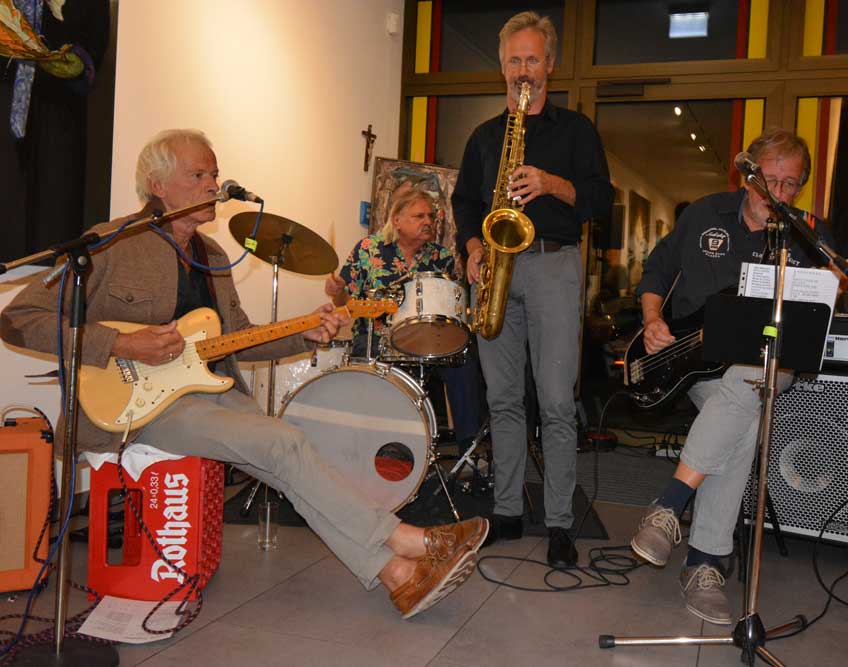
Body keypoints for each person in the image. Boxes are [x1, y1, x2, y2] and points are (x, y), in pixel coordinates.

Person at [0, 129, 487, 620]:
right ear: (158, 185)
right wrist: (121, 343)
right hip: (135, 407)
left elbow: (242, 338)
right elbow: (19, 319)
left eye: (214, 174)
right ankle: (409, 540)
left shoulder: (212, 256)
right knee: (282, 443)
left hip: (211, 393)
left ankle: (397, 575)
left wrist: (306, 334)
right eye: (198, 175)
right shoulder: (113, 243)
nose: (213, 185)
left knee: (290, 452)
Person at [629, 128, 838, 625]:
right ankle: (703, 564)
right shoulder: (704, 214)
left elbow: (829, 302)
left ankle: (669, 505)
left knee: (751, 379)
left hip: (770, 364)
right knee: (743, 424)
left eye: (790, 184)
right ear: (749, 177)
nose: (778, 193)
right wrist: (653, 320)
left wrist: (835, 282)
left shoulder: (809, 235)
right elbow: (657, 271)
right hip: (698, 367)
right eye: (770, 180)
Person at [452, 11, 613, 568]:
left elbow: (600, 199)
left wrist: (550, 183)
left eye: (533, 59)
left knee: (556, 402)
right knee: (502, 399)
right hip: (496, 266)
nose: (523, 70)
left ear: (550, 65)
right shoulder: (484, 137)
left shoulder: (577, 132)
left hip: (553, 265)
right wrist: (473, 246)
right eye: (514, 60)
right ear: (503, 67)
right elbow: (465, 203)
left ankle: (561, 521)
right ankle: (507, 511)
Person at [325, 188, 481, 445]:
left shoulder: (442, 257)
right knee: (368, 363)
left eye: (431, 216)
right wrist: (337, 290)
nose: (428, 222)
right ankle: (370, 443)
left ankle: (469, 447)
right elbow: (342, 302)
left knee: (463, 360)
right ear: (396, 220)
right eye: (419, 216)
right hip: (376, 340)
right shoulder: (368, 249)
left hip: (429, 342)